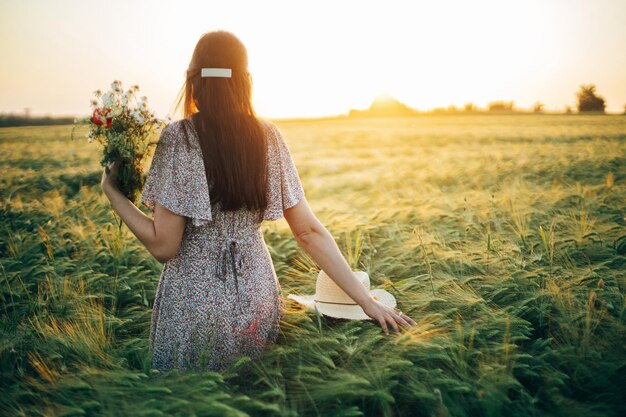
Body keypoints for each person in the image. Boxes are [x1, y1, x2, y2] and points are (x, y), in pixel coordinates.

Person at [100, 30, 415, 372]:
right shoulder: (268, 136)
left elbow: (164, 246)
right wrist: (366, 302)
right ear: (245, 81)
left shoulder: (180, 138)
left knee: (188, 398)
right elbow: (309, 231)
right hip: (256, 295)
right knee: (255, 390)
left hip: (192, 301)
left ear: (194, 81)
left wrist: (115, 195)